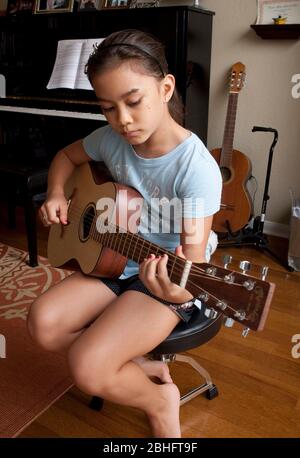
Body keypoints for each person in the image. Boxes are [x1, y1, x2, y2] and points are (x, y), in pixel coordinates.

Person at [27, 29, 222, 438]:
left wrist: (173, 292)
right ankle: (142, 368)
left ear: (165, 87)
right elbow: (66, 156)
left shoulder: (196, 169)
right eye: (108, 109)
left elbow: (191, 270)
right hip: (113, 259)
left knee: (86, 366)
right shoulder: (112, 141)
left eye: (133, 102)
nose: (123, 120)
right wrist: (59, 192)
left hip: (164, 277)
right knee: (42, 323)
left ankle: (159, 400)